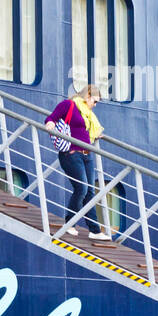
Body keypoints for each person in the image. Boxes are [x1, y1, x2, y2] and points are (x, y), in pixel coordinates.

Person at [45, 85, 109, 242]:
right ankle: (70, 223)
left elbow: (85, 131)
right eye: (95, 101)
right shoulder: (69, 105)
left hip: (87, 155)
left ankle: (94, 230)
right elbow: (51, 117)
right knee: (81, 188)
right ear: (87, 96)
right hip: (71, 154)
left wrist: (95, 135)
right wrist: (50, 124)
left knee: (89, 193)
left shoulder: (88, 115)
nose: (96, 105)